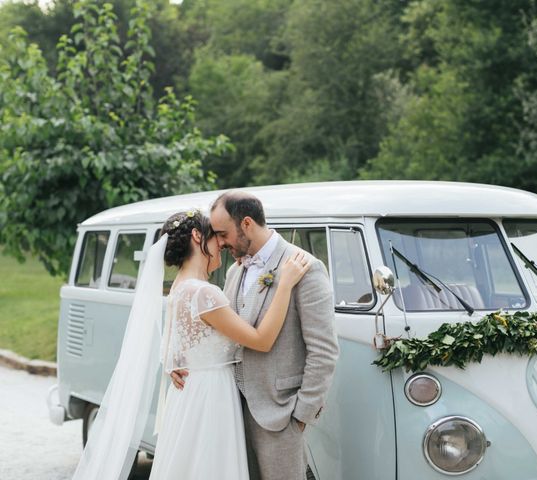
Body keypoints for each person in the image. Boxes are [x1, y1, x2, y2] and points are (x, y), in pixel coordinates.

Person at [72, 210, 310, 480]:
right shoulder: (203, 293)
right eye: (217, 237)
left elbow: (178, 342)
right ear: (198, 236)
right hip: (211, 395)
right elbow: (261, 340)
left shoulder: (179, 288)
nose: (222, 243)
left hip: (189, 393)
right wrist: (285, 285)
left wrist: (171, 363)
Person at [172, 191, 339, 480]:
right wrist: (183, 358)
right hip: (231, 411)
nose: (220, 243)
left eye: (223, 234)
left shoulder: (305, 268)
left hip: (280, 415)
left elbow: (324, 351)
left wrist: (300, 416)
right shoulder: (234, 273)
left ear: (246, 223)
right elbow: (221, 332)